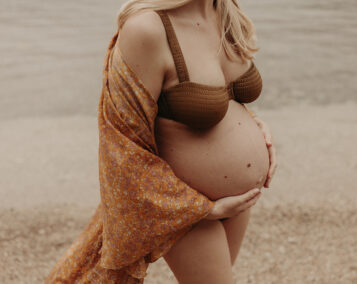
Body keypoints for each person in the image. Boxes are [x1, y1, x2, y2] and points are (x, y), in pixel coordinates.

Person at [45, 0, 277, 283]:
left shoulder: (226, 12)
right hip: (185, 204)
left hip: (237, 201)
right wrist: (198, 210)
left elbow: (223, 99)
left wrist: (254, 125)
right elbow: (121, 145)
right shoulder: (146, 28)